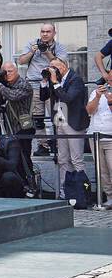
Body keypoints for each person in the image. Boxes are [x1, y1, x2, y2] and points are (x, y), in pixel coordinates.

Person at [41, 56, 90, 200]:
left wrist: (55, 82)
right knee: (63, 159)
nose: (53, 70)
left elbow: (68, 98)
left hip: (74, 122)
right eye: (51, 67)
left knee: (76, 159)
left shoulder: (76, 80)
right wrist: (45, 81)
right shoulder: (52, 79)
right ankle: (65, 193)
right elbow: (44, 96)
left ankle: (81, 193)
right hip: (60, 121)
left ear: (64, 66)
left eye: (55, 67)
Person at [16, 22, 69, 148]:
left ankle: (58, 144)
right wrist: (32, 52)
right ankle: (43, 145)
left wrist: (46, 51)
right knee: (37, 119)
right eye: (43, 31)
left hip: (53, 86)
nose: (45, 34)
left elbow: (60, 64)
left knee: (56, 116)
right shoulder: (32, 43)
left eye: (48, 32)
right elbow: (21, 61)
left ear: (54, 33)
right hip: (34, 86)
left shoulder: (59, 47)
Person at [87, 81, 112, 204]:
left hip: (110, 136)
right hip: (96, 135)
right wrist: (97, 96)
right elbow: (89, 111)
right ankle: (109, 197)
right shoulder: (95, 93)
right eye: (108, 80)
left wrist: (109, 99)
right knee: (101, 170)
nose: (109, 82)